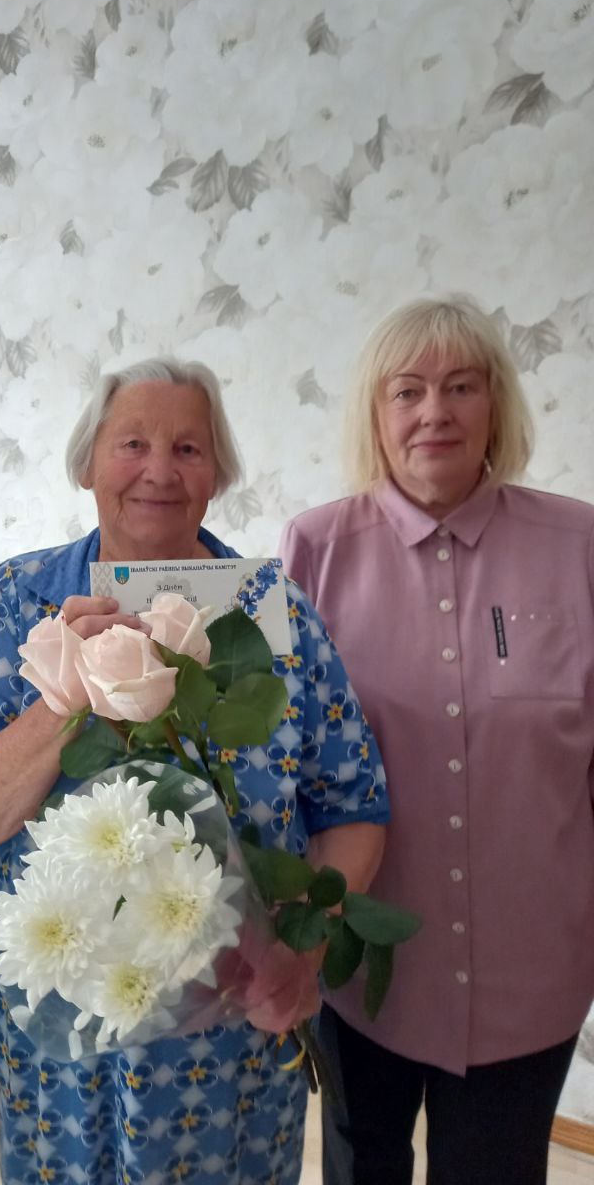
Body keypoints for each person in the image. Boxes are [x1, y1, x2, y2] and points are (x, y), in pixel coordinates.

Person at [0, 357, 388, 1185]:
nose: (159, 471)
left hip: (230, 1052)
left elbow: (353, 805)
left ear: (217, 475)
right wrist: (70, 694)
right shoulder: (23, 596)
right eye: (132, 444)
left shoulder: (271, 612)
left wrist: (302, 950)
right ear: (87, 464)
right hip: (62, 1045)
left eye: (188, 448)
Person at [279, 295, 594, 1185]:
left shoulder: (580, 544)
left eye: (461, 387)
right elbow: (280, 763)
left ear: (496, 404)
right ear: (375, 414)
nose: (434, 413)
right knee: (361, 1166)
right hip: (360, 966)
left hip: (534, 969)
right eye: (407, 391)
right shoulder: (313, 549)